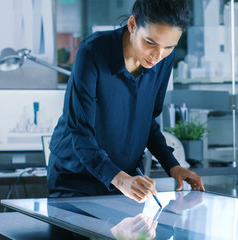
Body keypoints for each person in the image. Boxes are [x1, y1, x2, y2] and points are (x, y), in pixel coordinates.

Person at [47, 0, 205, 202]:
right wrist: (121, 180)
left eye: (168, 47)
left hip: (125, 181)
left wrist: (172, 165)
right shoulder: (93, 52)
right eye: (150, 42)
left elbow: (147, 121)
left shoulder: (164, 58)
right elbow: (80, 130)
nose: (157, 55)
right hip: (76, 179)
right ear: (132, 25)